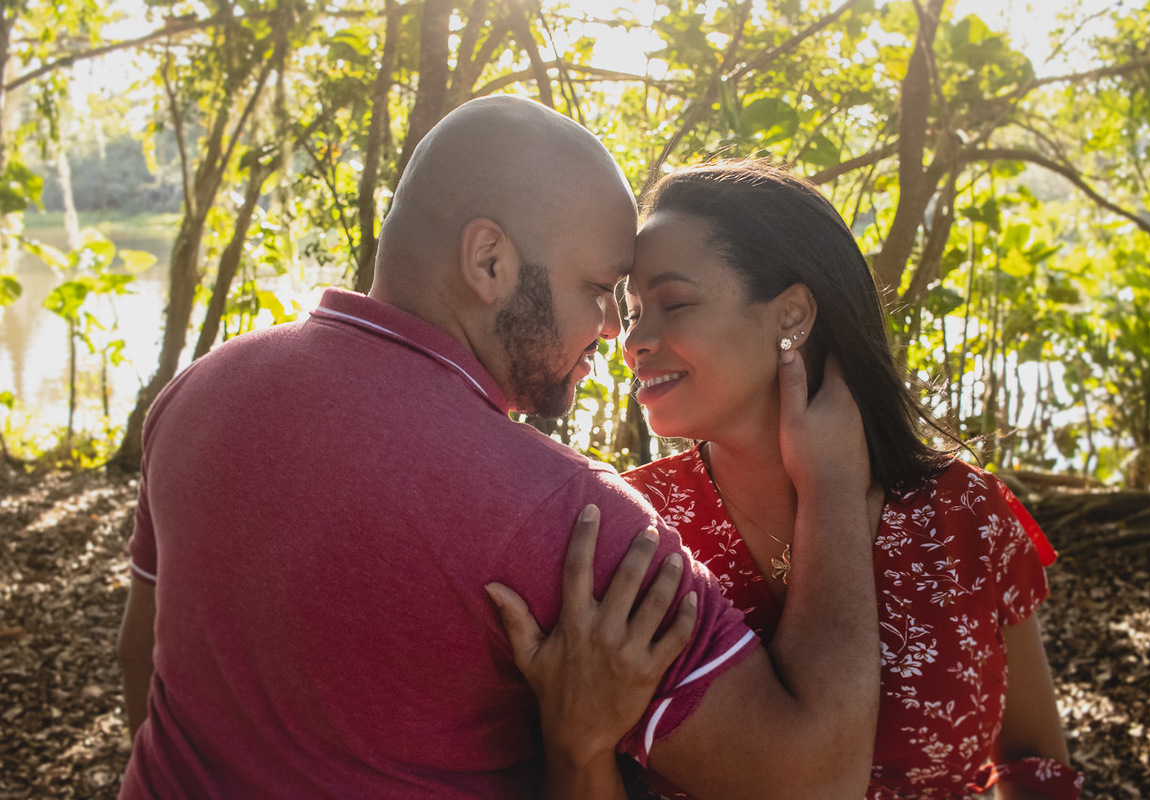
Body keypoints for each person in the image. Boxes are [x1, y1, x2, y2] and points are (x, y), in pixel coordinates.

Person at [116, 98, 882, 798]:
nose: (615, 327)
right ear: (489, 262)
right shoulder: (566, 520)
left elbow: (145, 665)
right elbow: (817, 777)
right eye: (597, 287)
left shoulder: (197, 394)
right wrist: (834, 494)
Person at [494, 161, 1085, 800]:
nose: (634, 339)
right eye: (635, 311)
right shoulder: (629, 529)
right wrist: (572, 745)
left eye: (674, 302)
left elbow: (1032, 762)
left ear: (791, 315)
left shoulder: (968, 515)